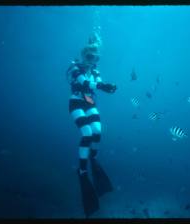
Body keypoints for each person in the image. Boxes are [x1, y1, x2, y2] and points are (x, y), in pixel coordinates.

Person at [67, 33, 117, 217]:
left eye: (96, 58)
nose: (92, 60)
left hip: (89, 104)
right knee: (87, 133)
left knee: (97, 131)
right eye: (89, 57)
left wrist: (108, 86)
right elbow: (85, 83)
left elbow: (98, 83)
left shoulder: (95, 71)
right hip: (76, 104)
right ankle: (81, 170)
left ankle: (93, 160)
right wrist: (102, 86)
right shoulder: (75, 67)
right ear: (83, 56)